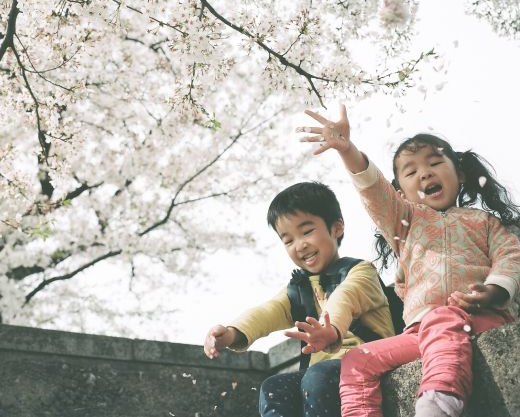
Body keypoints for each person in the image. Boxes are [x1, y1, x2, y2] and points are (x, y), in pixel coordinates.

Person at [296, 104, 520, 417]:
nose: (425, 172)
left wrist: (496, 290)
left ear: (460, 172)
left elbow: (510, 256)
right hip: (419, 332)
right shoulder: (405, 223)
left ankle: (439, 402)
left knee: (443, 319)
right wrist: (348, 151)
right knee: (357, 359)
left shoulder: (483, 222)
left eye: (435, 163)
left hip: (477, 319)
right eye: (411, 171)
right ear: (400, 193)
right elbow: (374, 191)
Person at [203, 181, 395, 417]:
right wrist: (233, 332)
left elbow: (346, 297)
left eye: (307, 232)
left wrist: (330, 327)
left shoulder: (361, 271)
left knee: (318, 376)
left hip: (370, 361)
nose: (300, 245)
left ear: (336, 228)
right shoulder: (299, 287)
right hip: (321, 374)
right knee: (273, 387)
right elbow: (269, 311)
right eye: (288, 240)